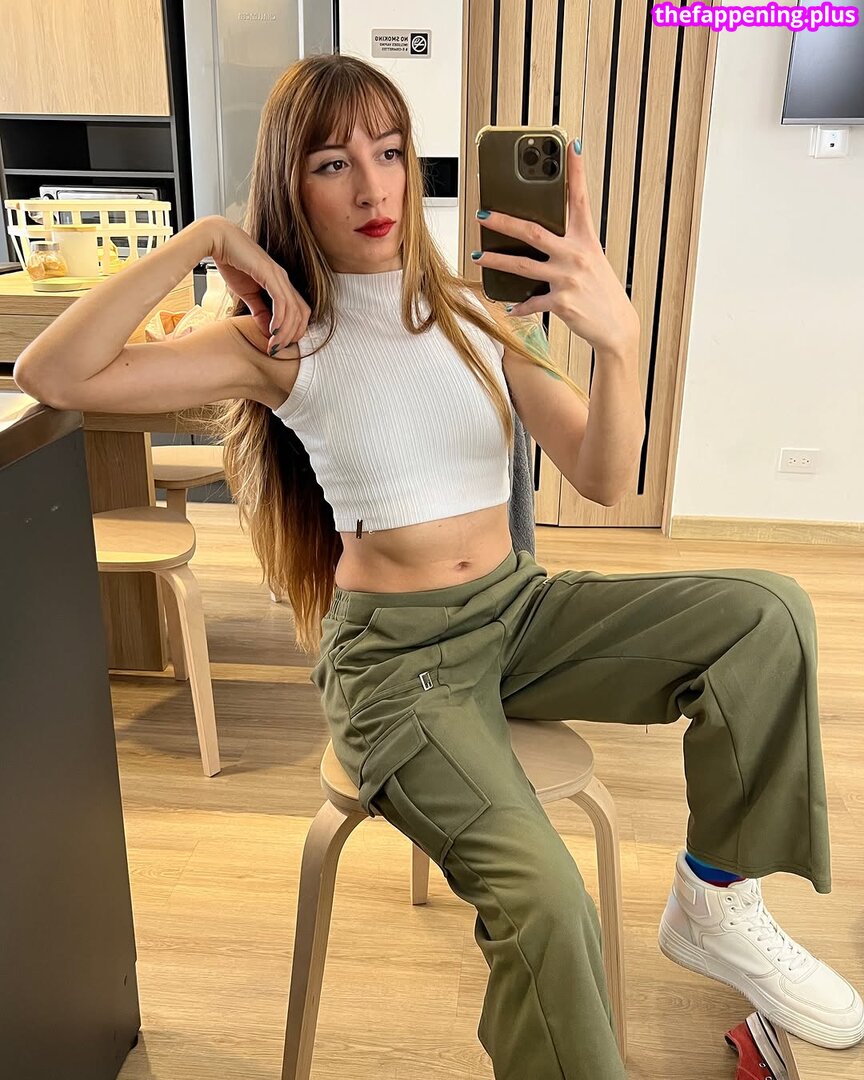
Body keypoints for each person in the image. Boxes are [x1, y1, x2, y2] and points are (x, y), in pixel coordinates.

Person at [14, 53, 862, 1079]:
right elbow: (52, 373)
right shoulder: (277, 339)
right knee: (546, 895)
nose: (373, 188)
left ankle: (716, 899)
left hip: (519, 612)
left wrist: (621, 346)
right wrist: (206, 240)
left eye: (390, 152)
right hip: (399, 664)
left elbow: (602, 476)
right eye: (332, 163)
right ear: (291, 186)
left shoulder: (476, 311)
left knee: (766, 610)